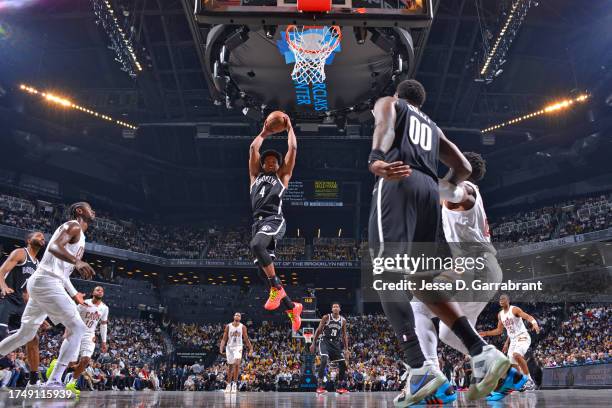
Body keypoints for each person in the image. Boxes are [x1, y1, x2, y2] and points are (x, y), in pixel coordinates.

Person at [368, 79, 510, 406]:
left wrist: (377, 158)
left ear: (401, 96)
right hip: (428, 191)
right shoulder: (432, 127)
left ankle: (419, 367)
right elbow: (463, 166)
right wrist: (436, 185)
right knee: (421, 284)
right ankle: (481, 352)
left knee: (387, 275)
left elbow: (385, 125)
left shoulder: (391, 103)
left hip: (401, 181)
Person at [0, 202, 96, 390]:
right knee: (78, 327)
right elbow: (54, 247)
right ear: (79, 211)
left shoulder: (80, 235)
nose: (93, 211)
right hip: (47, 282)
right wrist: (77, 262)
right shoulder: (73, 225)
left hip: (44, 282)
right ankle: (54, 380)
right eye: (89, 208)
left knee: (24, 334)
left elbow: (63, 273)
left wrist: (74, 293)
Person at [248, 113, 302, 331]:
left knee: (256, 246)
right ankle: (292, 308)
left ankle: (277, 290)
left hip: (274, 219)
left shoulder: (282, 176)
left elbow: (293, 151)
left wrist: (289, 129)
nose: (271, 161)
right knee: (263, 272)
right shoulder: (254, 176)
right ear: (262, 164)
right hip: (257, 224)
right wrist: (264, 133)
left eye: (275, 160)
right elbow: (253, 149)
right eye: (267, 160)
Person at [0, 231, 47, 388]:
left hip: (21, 304)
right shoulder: (20, 252)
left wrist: (41, 317)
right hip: (6, 299)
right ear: (28, 240)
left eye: (43, 237)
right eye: (38, 235)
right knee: (2, 335)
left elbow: (28, 293)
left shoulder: (38, 264)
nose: (42, 238)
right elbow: (1, 271)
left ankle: (33, 381)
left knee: (32, 339)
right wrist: (4, 287)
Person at [479, 294, 540, 391]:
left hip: (522, 336)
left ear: (508, 300)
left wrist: (534, 323)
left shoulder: (514, 309)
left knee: (516, 355)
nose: (501, 300)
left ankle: (529, 380)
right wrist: (486, 333)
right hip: (513, 340)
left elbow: (527, 316)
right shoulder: (500, 315)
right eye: (500, 299)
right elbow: (499, 330)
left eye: (503, 299)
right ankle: (522, 382)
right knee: (512, 363)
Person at [64, 286, 109, 396]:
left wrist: (104, 341)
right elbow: (71, 316)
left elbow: (103, 325)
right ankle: (56, 368)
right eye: (98, 289)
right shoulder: (84, 303)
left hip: (89, 335)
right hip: (77, 331)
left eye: (102, 290)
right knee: (71, 363)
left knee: (86, 360)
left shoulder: (104, 308)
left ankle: (71, 383)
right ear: (93, 292)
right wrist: (67, 331)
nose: (100, 291)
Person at [309, 303, 350, 395]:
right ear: (332, 309)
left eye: (337, 307)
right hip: (324, 341)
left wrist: (346, 349)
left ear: (340, 309)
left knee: (343, 364)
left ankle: (339, 387)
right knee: (324, 360)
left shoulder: (343, 320)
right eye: (334, 307)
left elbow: (344, 335)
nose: (335, 308)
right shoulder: (326, 317)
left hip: (335, 344)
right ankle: (319, 387)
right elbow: (319, 330)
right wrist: (313, 343)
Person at [219, 312, 253, 393]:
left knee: (237, 362)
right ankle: (228, 384)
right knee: (230, 367)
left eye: (239, 315)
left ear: (240, 318)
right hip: (229, 347)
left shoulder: (243, 327)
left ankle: (234, 384)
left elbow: (246, 338)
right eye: (236, 315)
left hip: (238, 346)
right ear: (233, 316)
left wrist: (250, 348)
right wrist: (221, 348)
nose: (237, 316)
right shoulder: (228, 326)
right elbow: (224, 339)